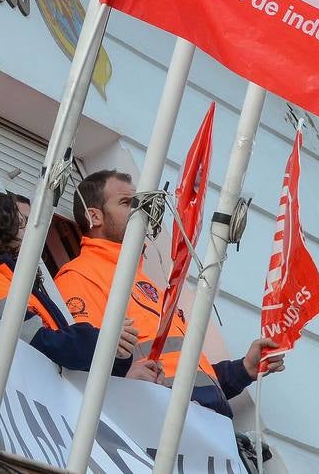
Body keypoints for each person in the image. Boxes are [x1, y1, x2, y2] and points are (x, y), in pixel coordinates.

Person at [56, 170, 284, 418]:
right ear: (94, 216)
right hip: (157, 422)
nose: (140, 210)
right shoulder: (78, 275)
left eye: (141, 202)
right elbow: (82, 364)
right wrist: (124, 381)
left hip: (202, 425)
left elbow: (188, 376)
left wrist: (243, 370)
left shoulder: (140, 278)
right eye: (126, 203)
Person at [0, 190, 160, 381]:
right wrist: (103, 339)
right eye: (21, 223)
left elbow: (69, 360)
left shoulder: (20, 283)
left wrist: (117, 354)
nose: (35, 231)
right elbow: (40, 344)